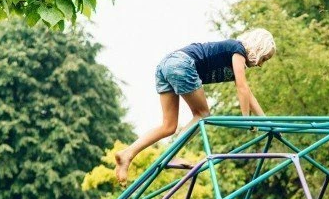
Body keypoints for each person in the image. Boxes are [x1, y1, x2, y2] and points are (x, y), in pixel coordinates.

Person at [114, 28, 276, 184]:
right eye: (264, 59)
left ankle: (127, 154)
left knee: (168, 127)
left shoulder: (235, 57)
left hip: (166, 65)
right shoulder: (238, 50)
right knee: (203, 115)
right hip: (181, 64)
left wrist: (267, 123)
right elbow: (242, 87)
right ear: (258, 49)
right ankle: (171, 155)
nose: (261, 64)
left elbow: (248, 94)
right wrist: (247, 119)